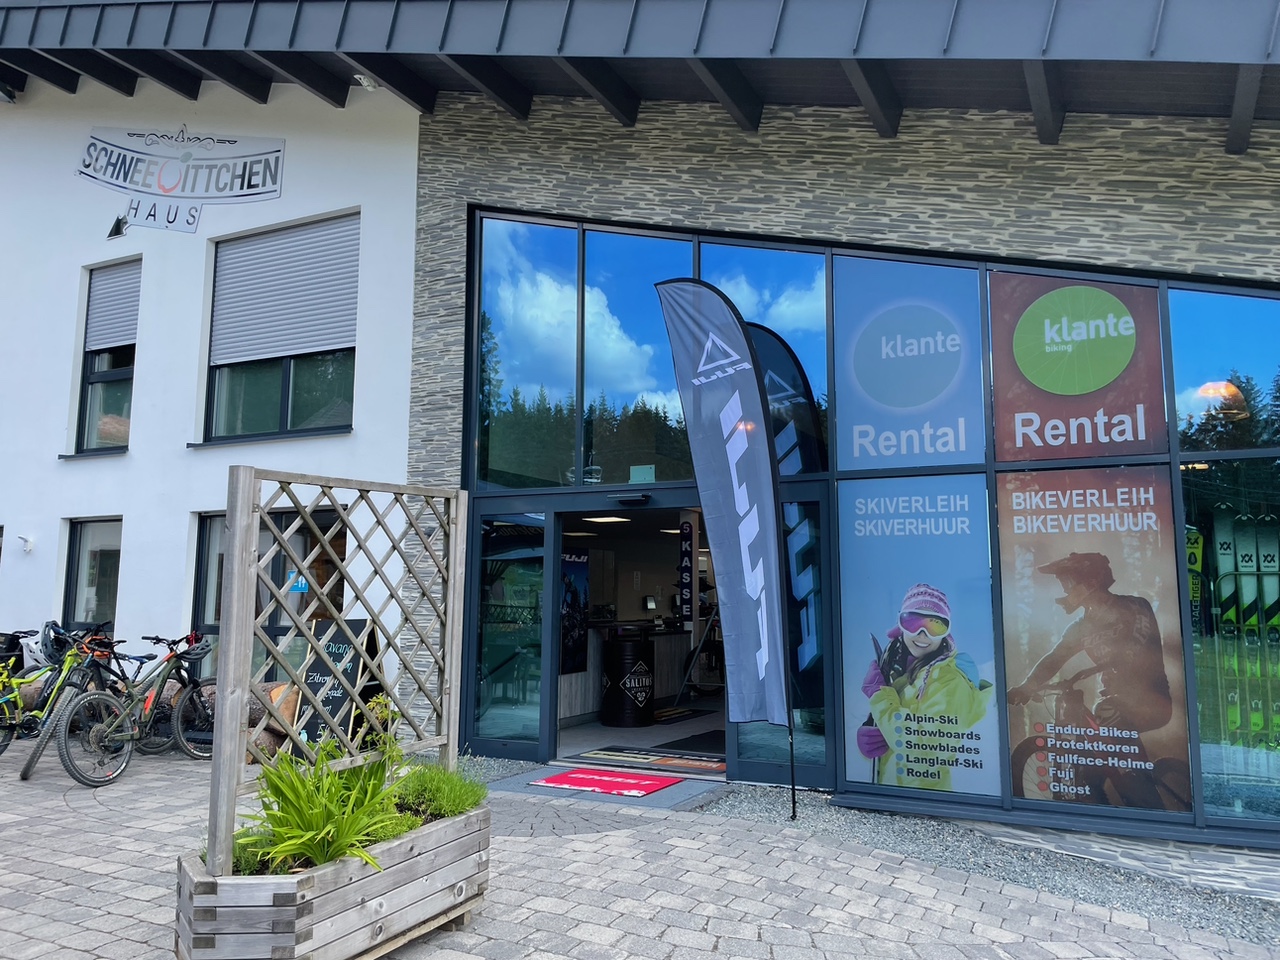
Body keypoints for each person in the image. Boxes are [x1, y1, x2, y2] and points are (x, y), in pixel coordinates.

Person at [1007, 552, 1173, 735]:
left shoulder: (1135, 605)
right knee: (1094, 725)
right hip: (1114, 698)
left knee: (1105, 711)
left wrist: (1121, 659)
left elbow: (1138, 640)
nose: (1064, 590)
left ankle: (1126, 764)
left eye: (1068, 583)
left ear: (1091, 582)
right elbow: (1055, 658)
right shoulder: (1082, 628)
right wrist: (1027, 686)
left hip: (1151, 699)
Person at [856, 583, 991, 790]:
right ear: (900, 624)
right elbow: (899, 735)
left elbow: (924, 751)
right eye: (912, 622)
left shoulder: (950, 682)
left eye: (935, 625)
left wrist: (879, 696)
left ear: (946, 632)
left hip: (925, 799)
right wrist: (873, 742)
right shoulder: (899, 669)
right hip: (893, 793)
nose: (922, 634)